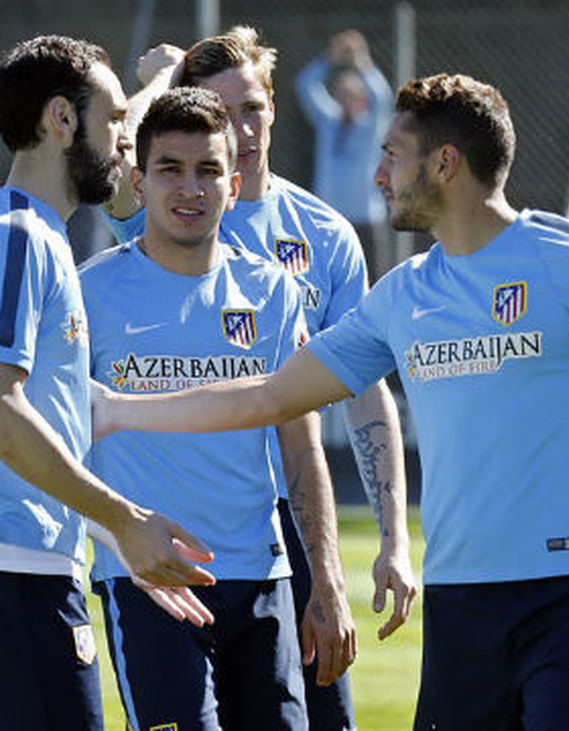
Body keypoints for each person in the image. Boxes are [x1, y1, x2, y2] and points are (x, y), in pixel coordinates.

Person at [95, 70, 569, 729]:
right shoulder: (404, 295)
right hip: (459, 606)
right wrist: (119, 409)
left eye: (392, 155)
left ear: (444, 164)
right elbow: (270, 395)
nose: (379, 174)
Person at [103, 28, 414, 728]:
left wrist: (393, 535)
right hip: (186, 514)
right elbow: (116, 153)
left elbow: (364, 389)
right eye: (219, 111)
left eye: (251, 107)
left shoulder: (324, 234)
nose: (240, 128)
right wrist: (157, 85)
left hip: (294, 521)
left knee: (320, 715)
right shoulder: (162, 206)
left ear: (274, 106)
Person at [83, 86, 337, 730]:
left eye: (208, 170)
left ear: (234, 183)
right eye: (170, 169)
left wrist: (325, 578)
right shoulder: (89, 293)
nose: (190, 188)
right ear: (138, 183)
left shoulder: (272, 292)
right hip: (149, 579)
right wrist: (112, 535)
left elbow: (301, 443)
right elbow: (49, 437)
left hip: (261, 576)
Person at [0, 35, 215, 730]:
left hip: (36, 569)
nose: (127, 140)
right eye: (116, 119)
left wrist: (116, 537)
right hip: (18, 579)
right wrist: (124, 519)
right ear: (62, 119)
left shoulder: (41, 237)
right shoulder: (18, 236)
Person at [295, 30, 394, 280]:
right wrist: (330, 59)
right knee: (329, 280)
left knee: (374, 282)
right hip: (330, 217)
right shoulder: (329, 121)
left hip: (366, 220)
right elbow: (305, 84)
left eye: (353, 95)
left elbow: (382, 96)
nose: (347, 100)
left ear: (363, 99)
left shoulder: (371, 127)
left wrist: (362, 61)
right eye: (342, 94)